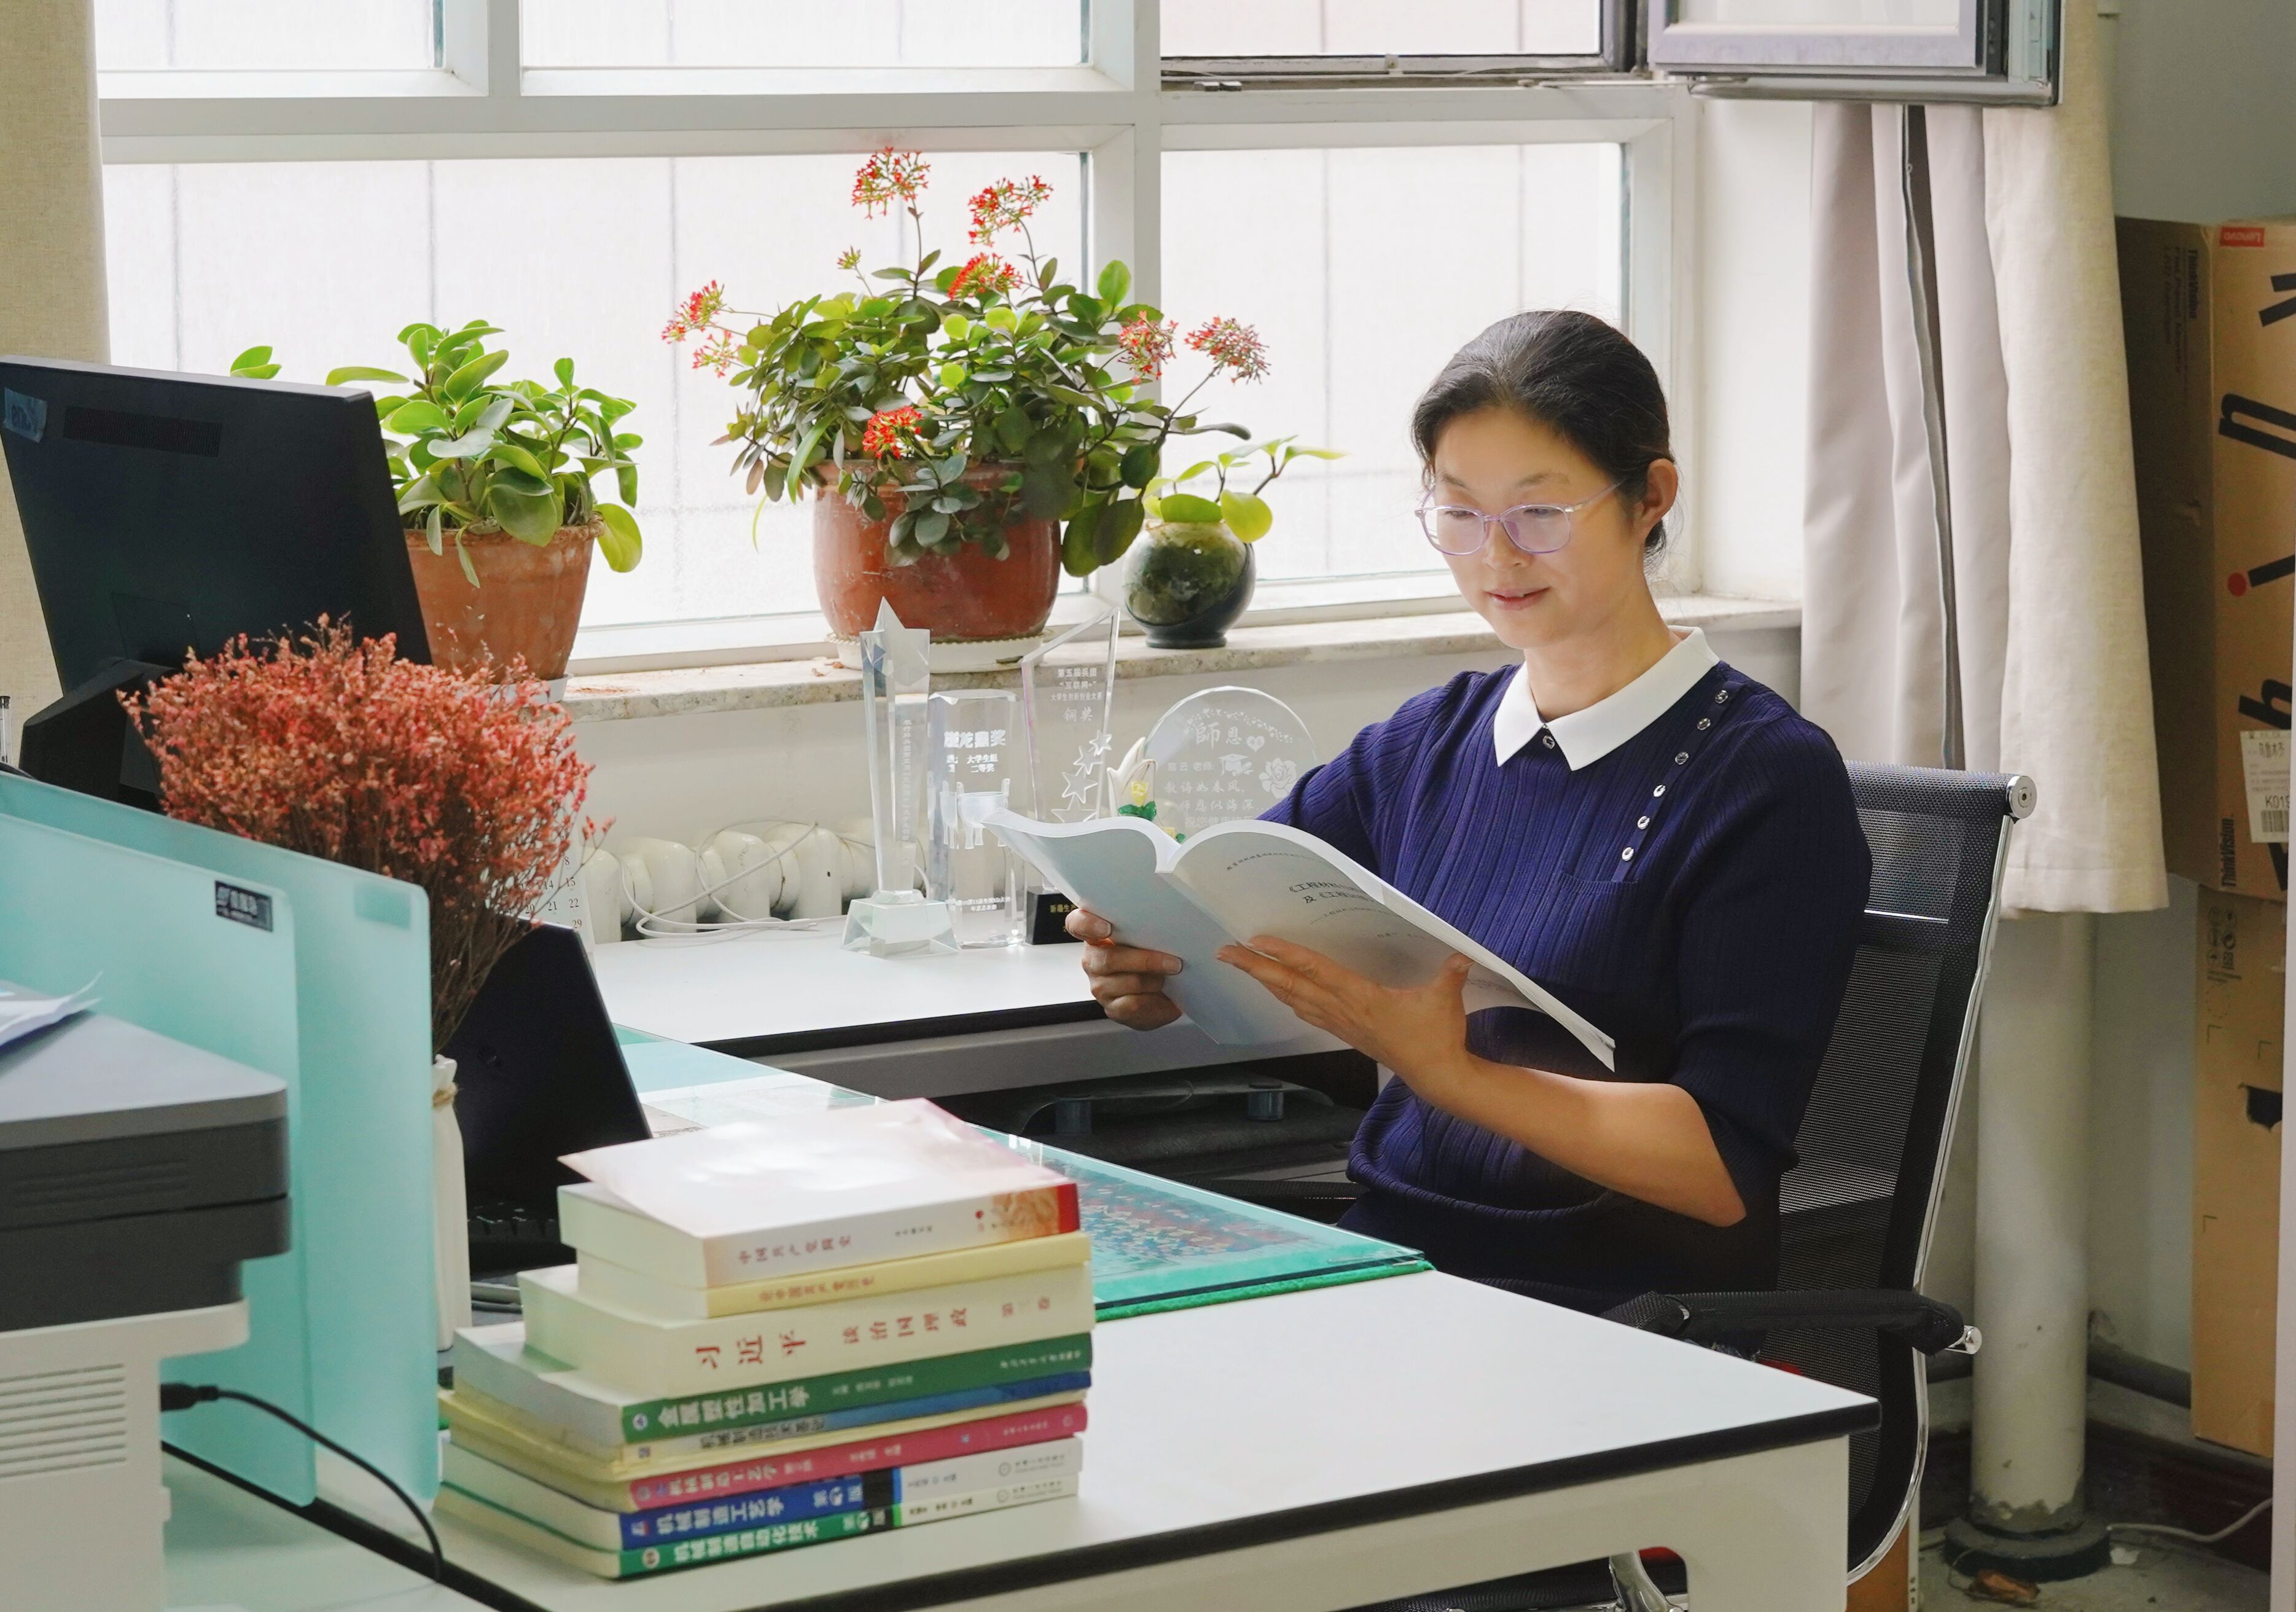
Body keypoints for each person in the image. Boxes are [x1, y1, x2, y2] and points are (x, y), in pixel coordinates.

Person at [1067, 310, 1871, 1312]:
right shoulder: (1430, 741)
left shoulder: (1764, 780)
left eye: (1539, 513)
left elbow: (1719, 1171)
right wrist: (1153, 966)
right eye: (1458, 513)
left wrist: (1447, 1072)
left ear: (1650, 497)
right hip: (1396, 1267)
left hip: (1614, 1309)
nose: (1497, 557)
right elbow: (1228, 896)